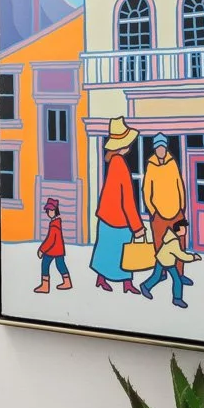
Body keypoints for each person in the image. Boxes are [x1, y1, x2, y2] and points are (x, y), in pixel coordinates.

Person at [90, 117, 147, 294]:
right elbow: (127, 199)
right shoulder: (120, 164)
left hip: (107, 216)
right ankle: (125, 283)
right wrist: (137, 226)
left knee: (107, 249)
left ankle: (105, 279)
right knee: (122, 252)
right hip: (118, 219)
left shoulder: (114, 162)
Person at [142, 133, 193, 287]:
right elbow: (146, 190)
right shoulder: (151, 166)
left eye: (163, 148)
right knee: (159, 245)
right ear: (155, 149)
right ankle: (161, 273)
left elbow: (180, 185)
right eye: (158, 148)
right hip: (159, 214)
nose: (161, 151)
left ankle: (180, 274)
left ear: (165, 148)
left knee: (180, 243)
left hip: (176, 212)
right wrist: (153, 211)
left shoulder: (172, 163)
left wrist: (182, 207)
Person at [141, 219, 200, 308]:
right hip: (165, 262)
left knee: (159, 276)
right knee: (175, 280)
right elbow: (182, 256)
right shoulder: (173, 242)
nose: (185, 230)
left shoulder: (171, 237)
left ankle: (145, 286)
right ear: (179, 229)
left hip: (164, 260)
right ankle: (177, 299)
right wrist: (194, 257)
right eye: (184, 228)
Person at [34, 198, 71, 293]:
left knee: (45, 264)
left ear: (56, 211)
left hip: (53, 250)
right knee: (60, 264)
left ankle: (45, 285)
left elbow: (50, 240)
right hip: (58, 250)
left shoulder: (54, 225)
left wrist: (42, 250)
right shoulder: (56, 222)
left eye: (52, 210)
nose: (50, 212)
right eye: (48, 210)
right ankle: (67, 282)